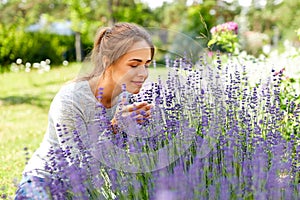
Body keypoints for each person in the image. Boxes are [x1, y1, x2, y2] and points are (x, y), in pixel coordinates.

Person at [15, 22, 155, 199]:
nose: (143, 73)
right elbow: (80, 166)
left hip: (96, 189)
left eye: (147, 64)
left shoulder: (131, 100)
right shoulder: (70, 100)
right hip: (47, 181)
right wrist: (114, 128)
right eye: (134, 65)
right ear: (107, 62)